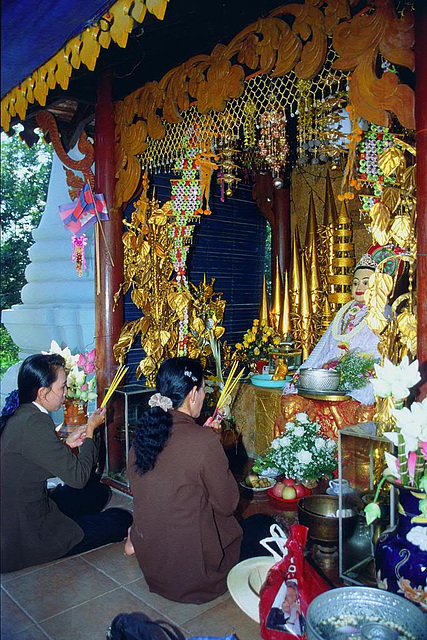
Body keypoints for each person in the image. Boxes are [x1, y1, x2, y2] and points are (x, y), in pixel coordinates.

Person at [126, 357, 275, 604]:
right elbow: (228, 505)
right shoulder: (203, 442)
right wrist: (213, 445)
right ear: (193, 393)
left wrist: (207, 440)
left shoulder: (143, 434)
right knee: (262, 525)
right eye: (204, 389)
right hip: (195, 578)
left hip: (154, 569)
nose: (205, 395)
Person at [0, 353, 132, 573]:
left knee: (97, 492)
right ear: (43, 392)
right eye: (62, 387)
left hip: (21, 510)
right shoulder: (35, 423)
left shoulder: (24, 413)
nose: (65, 393)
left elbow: (33, 461)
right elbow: (78, 478)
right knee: (120, 518)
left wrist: (69, 444)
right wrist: (90, 430)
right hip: (25, 531)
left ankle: (73, 520)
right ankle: (69, 528)